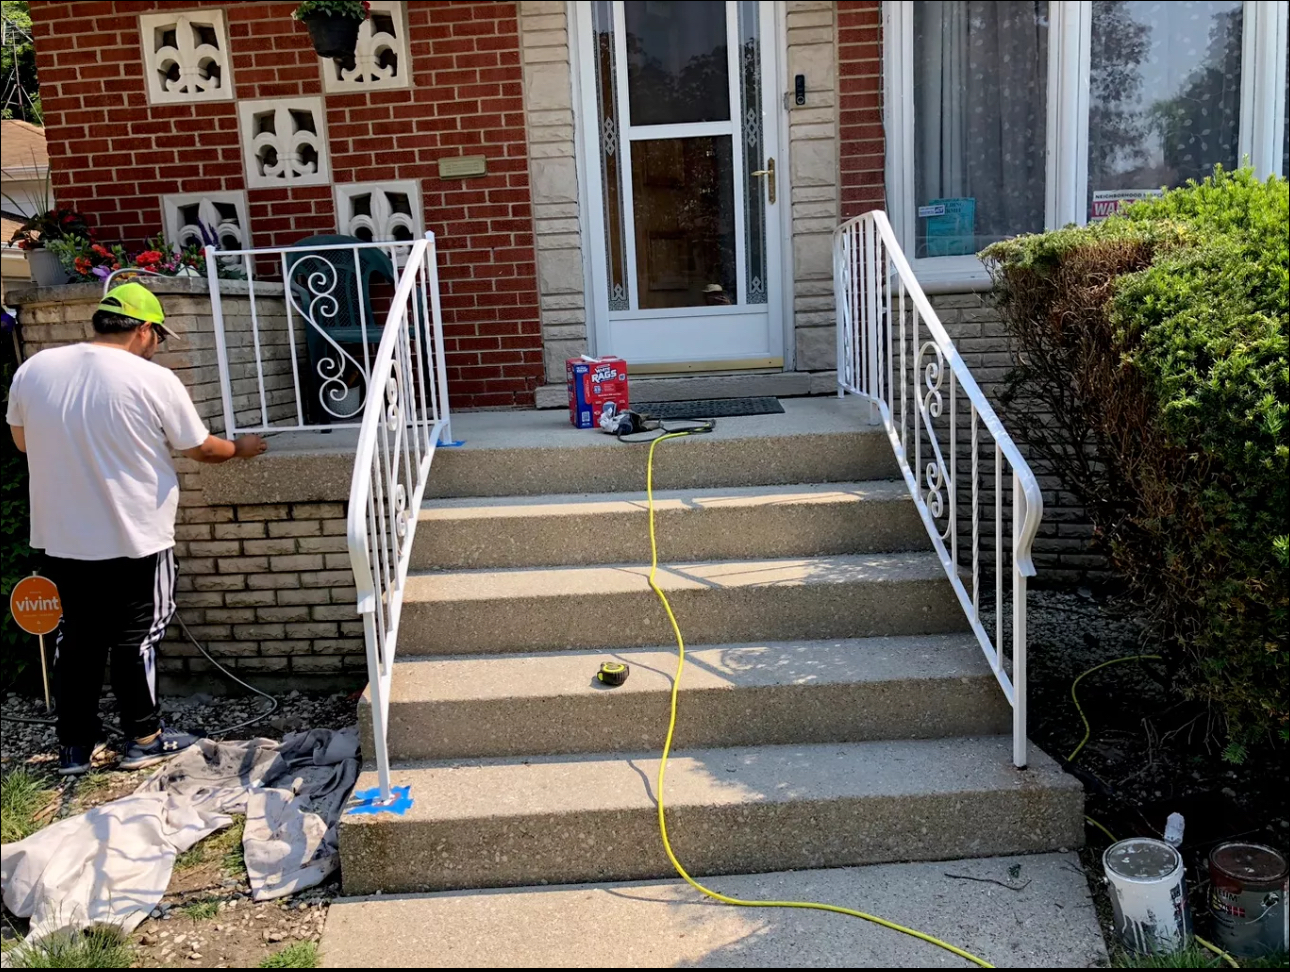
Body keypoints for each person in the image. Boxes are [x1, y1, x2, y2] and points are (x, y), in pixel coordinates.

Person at [6, 282, 268, 776]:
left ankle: (75, 749)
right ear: (145, 330)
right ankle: (144, 738)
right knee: (136, 638)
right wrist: (242, 448)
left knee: (77, 640)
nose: (157, 345)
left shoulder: (34, 369)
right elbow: (200, 449)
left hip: (62, 536)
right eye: (159, 336)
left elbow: (22, 444)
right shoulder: (152, 379)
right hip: (134, 534)